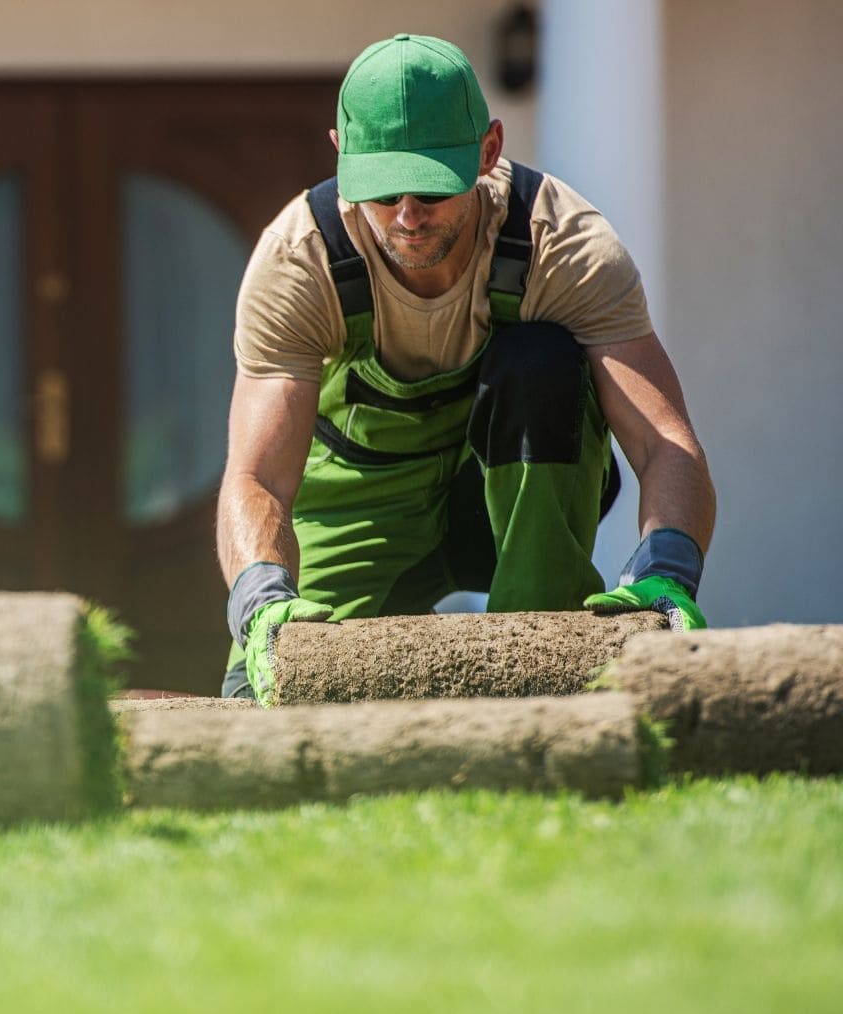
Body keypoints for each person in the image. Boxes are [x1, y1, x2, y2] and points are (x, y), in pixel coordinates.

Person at [217, 33, 715, 704]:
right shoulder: (300, 261)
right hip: (360, 504)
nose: (407, 216)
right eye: (383, 190)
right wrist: (259, 599)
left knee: (542, 359)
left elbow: (664, 443)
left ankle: (543, 642)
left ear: (488, 151)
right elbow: (257, 475)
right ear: (340, 151)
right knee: (258, 698)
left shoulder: (562, 246)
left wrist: (668, 570)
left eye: (430, 186)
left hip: (519, 500)